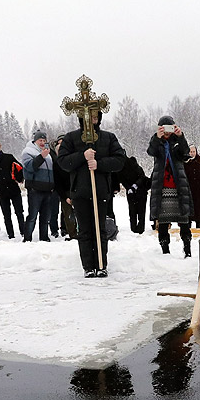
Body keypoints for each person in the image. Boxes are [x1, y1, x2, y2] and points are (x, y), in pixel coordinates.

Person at [57, 107, 127, 277]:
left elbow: (119, 160)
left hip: (101, 191)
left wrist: (99, 164)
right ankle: (88, 266)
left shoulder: (108, 138)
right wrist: (83, 156)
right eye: (88, 116)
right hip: (80, 192)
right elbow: (63, 162)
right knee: (85, 231)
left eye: (95, 116)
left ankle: (101, 264)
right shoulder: (71, 138)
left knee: (100, 229)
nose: (92, 119)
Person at [148, 116, 193, 257]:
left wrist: (181, 137)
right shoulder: (157, 141)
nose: (167, 132)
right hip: (162, 187)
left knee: (184, 220)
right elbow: (151, 151)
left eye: (169, 128)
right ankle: (165, 251)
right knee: (162, 220)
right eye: (164, 128)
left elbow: (186, 153)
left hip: (178, 186)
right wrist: (157, 137)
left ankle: (187, 250)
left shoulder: (177, 142)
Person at [20, 129, 55, 242]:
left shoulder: (47, 154)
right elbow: (30, 167)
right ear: (35, 141)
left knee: (45, 217)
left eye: (44, 140)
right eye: (40, 140)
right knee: (32, 216)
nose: (42, 142)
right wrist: (41, 156)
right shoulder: (28, 152)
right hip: (35, 189)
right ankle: (27, 238)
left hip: (47, 189)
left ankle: (44, 237)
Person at [0, 137, 24, 239]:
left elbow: (19, 168)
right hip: (2, 191)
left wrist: (19, 179)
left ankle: (23, 232)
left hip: (14, 189)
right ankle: (11, 235)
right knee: (6, 215)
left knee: (19, 212)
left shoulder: (9, 157)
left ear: (0, 145)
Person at [53, 135, 77, 241]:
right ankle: (72, 234)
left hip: (77, 191)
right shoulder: (56, 164)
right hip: (65, 193)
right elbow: (58, 183)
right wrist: (65, 197)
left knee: (80, 213)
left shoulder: (74, 161)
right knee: (67, 214)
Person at [119, 155, 150, 234]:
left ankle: (135, 228)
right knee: (140, 211)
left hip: (135, 192)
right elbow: (141, 177)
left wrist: (130, 187)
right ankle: (139, 229)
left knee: (133, 211)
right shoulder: (136, 168)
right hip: (139, 192)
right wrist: (132, 187)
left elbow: (123, 180)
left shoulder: (123, 169)